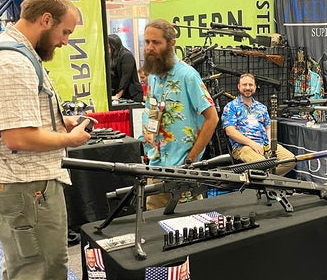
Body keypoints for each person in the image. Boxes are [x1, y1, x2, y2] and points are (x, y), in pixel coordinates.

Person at [0, 0, 94, 280]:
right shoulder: (11, 62)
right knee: (43, 277)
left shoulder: (18, 53)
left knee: (24, 271)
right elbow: (19, 137)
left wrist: (57, 121)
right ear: (45, 20)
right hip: (27, 187)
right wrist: (70, 137)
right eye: (64, 31)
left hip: (24, 187)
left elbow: (19, 121)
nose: (65, 41)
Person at [141, 18, 218, 210]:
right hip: (156, 165)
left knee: (190, 224)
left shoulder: (188, 76)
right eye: (147, 42)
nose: (150, 47)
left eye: (156, 42)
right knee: (154, 223)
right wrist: (149, 132)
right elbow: (152, 107)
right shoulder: (152, 74)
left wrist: (191, 158)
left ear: (171, 44)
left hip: (183, 171)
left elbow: (212, 118)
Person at [222, 73, 295, 176]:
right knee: (264, 164)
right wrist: (251, 143)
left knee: (290, 160)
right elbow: (230, 131)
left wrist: (269, 143)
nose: (248, 88)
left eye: (251, 85)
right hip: (243, 147)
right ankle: (269, 180)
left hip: (265, 145)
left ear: (255, 87)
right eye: (244, 85)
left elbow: (268, 127)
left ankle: (268, 179)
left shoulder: (262, 107)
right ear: (239, 87)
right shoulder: (231, 107)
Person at [108, 34, 143, 102]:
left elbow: (125, 77)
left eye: (109, 47)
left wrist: (118, 95)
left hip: (132, 94)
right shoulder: (113, 57)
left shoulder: (126, 55)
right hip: (120, 93)